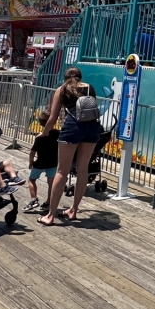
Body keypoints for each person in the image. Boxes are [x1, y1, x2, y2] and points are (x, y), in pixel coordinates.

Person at [37, 68, 101, 226]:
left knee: (61, 171)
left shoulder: (62, 89)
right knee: (83, 170)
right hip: (92, 128)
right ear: (81, 77)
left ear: (64, 77)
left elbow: (52, 118)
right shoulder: (89, 88)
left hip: (73, 127)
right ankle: (73, 210)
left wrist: (44, 133)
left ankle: (50, 215)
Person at [24, 110, 58, 213]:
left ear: (40, 123)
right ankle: (48, 202)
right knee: (51, 184)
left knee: (31, 180)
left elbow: (32, 152)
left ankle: (34, 199)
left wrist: (31, 162)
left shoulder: (40, 137)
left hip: (40, 163)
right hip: (53, 163)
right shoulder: (58, 134)